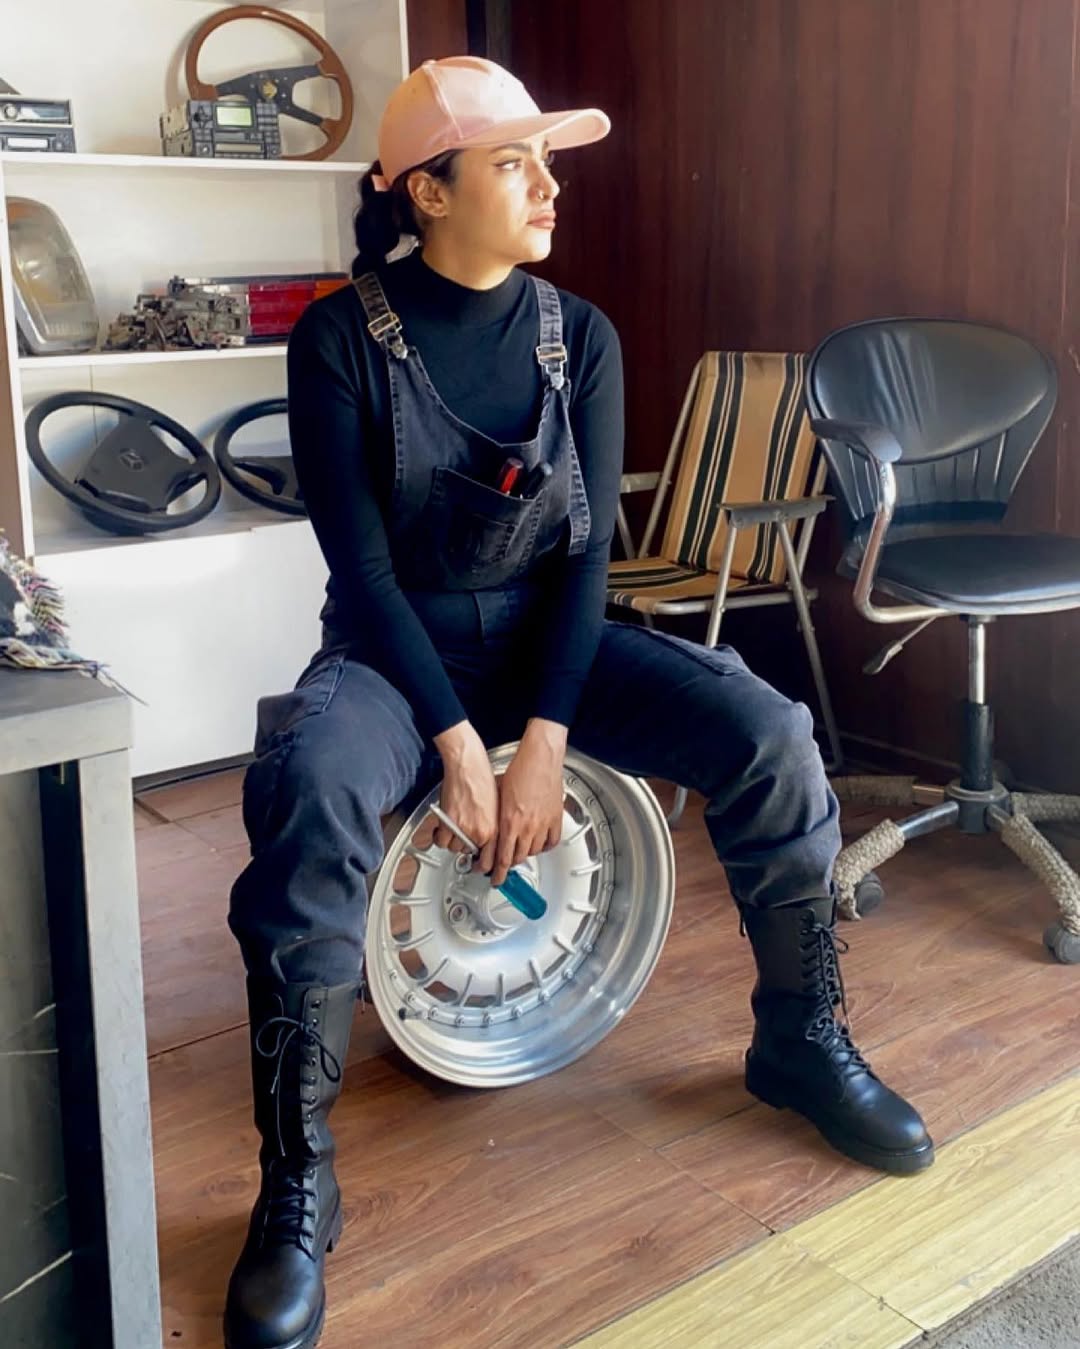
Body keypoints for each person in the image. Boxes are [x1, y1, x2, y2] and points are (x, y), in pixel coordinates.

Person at [222, 55, 934, 1349]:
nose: (549, 187)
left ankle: (800, 1037)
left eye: (548, 162)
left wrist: (542, 738)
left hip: (552, 642)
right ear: (428, 190)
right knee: (312, 788)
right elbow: (362, 574)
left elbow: (588, 555)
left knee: (770, 734)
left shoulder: (579, 335)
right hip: (392, 653)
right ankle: (297, 1178)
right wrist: (457, 745)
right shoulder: (337, 339)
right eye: (515, 164)